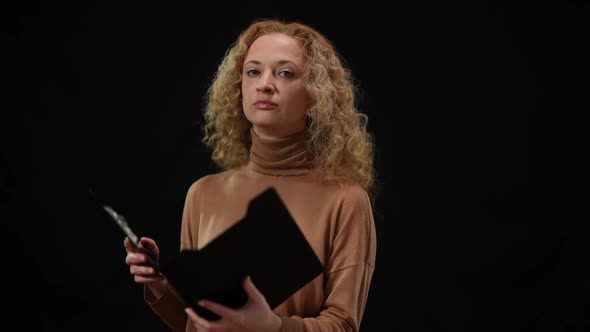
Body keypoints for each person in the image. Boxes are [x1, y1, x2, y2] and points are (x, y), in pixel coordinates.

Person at [124, 18, 378, 332]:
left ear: (316, 93)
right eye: (253, 71)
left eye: (285, 73)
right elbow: (197, 323)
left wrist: (272, 326)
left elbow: (343, 325)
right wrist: (161, 286)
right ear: (239, 86)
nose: (265, 84)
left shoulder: (346, 200)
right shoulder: (203, 193)